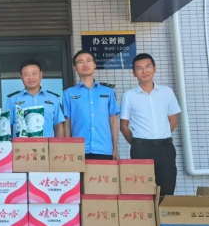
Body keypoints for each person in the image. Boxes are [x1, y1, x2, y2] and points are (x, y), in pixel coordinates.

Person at [120, 53, 181, 196]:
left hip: (165, 148)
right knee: (142, 191)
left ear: (155, 68)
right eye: (139, 68)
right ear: (134, 73)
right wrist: (137, 144)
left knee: (167, 189)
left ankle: (162, 212)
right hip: (141, 149)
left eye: (148, 67)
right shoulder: (129, 96)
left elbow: (173, 121)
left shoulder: (167, 92)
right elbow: (123, 126)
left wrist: (161, 135)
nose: (144, 71)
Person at [63, 50, 120, 159]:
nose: (85, 64)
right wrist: (68, 148)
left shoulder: (108, 91)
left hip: (104, 149)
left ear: (94, 65)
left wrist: (115, 148)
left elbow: (113, 120)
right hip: (78, 150)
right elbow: (67, 122)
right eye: (80, 62)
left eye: (88, 60)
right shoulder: (69, 93)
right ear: (75, 67)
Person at [5, 59, 65, 138]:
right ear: (21, 77)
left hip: (47, 145)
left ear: (41, 74)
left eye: (34, 73)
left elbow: (58, 126)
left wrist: (59, 145)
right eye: (26, 74)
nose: (31, 77)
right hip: (21, 145)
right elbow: (7, 128)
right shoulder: (12, 100)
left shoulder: (53, 99)